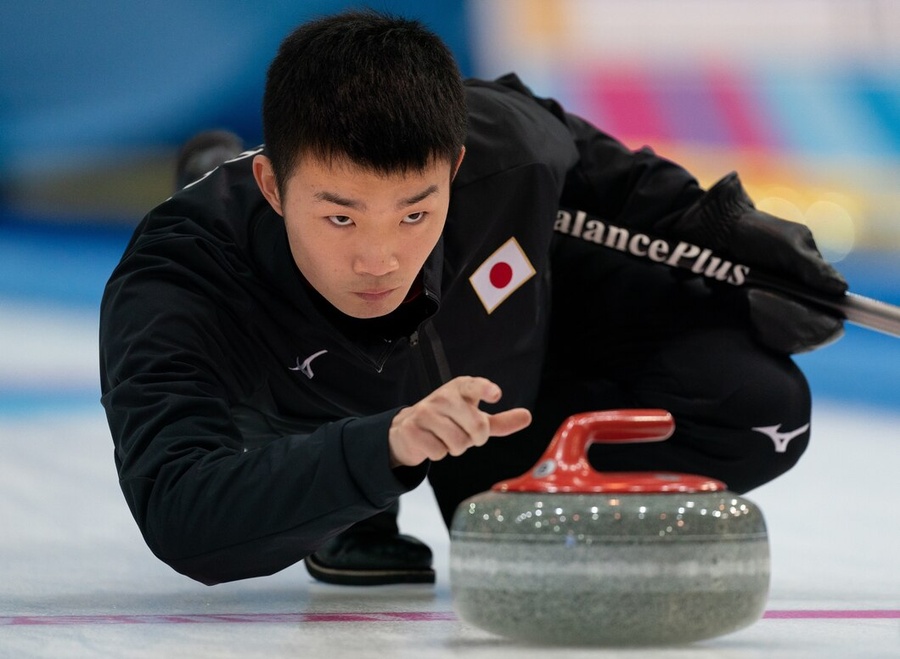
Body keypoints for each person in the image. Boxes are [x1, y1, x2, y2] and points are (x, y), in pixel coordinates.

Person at [99, 10, 846, 587]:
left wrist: (724, 234)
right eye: (339, 215)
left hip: (493, 391)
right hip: (322, 422)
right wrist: (382, 448)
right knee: (315, 458)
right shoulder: (179, 275)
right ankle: (347, 503)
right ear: (271, 185)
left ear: (453, 170)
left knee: (760, 403)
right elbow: (180, 510)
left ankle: (489, 496)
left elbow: (604, 174)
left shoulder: (503, 149)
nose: (379, 258)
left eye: (415, 212)